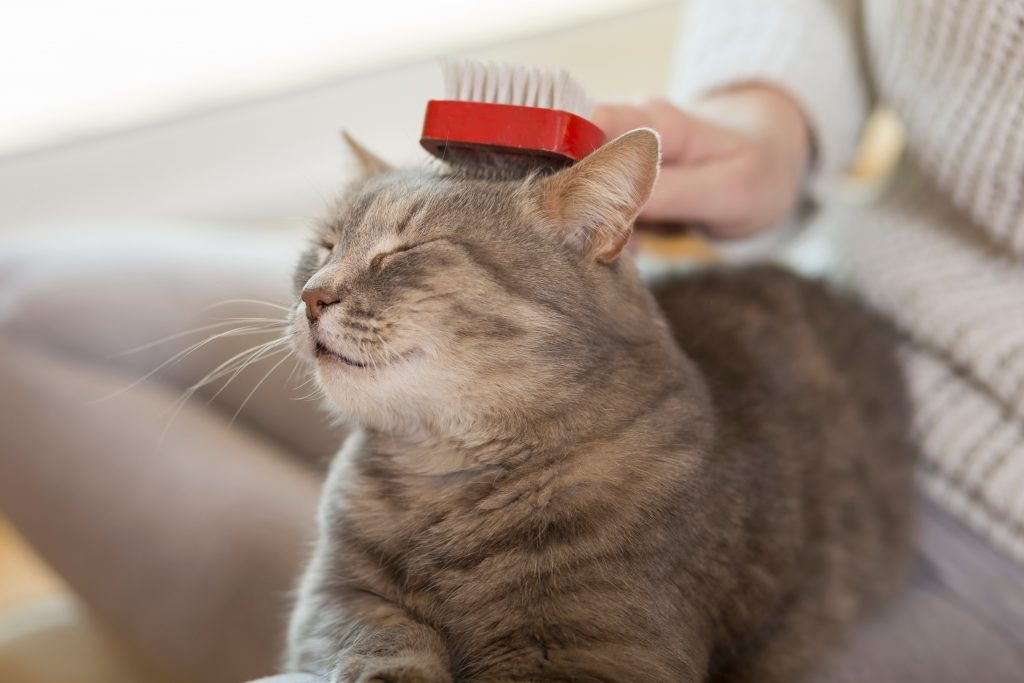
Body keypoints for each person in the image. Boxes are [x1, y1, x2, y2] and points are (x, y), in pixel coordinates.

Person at [1, 2, 1023, 682]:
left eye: (395, 255)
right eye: (325, 252)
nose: (316, 291)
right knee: (25, 306)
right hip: (829, 284)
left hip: (989, 529)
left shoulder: (660, 488)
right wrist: (770, 115)